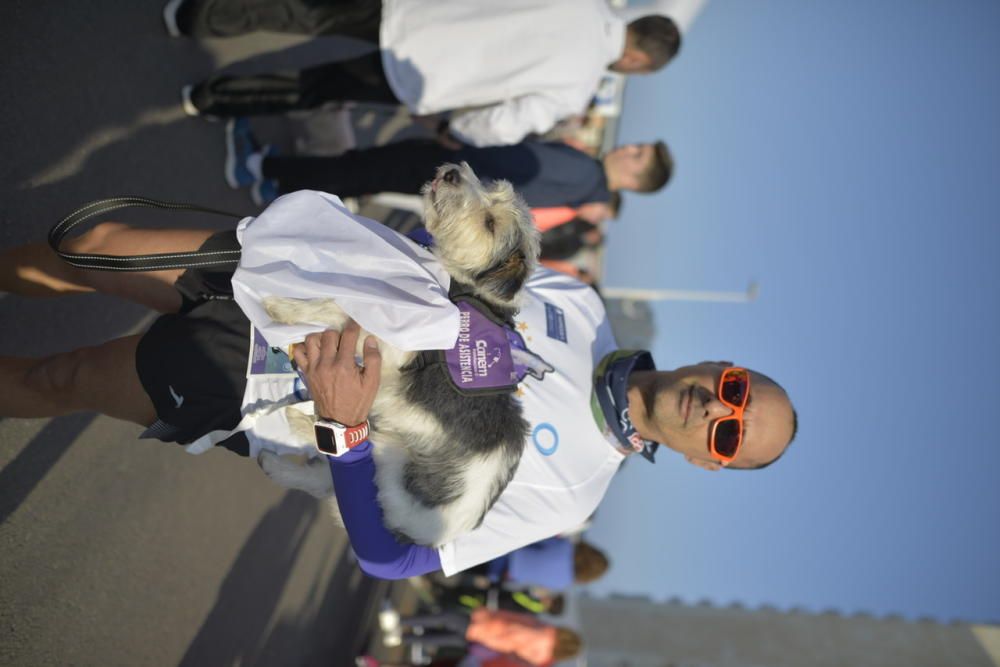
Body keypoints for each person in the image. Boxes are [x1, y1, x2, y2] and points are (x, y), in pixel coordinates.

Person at [0, 189, 797, 580]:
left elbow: (395, 559)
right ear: (720, 364)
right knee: (93, 244)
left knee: (63, 376)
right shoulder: (584, 306)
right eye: (734, 388)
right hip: (304, 277)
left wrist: (345, 433)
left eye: (730, 432)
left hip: (274, 389)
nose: (715, 409)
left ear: (707, 460)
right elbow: (459, 276)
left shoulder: (573, 495)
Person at [167, 0, 681, 147]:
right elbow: (504, 123)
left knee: (306, 12)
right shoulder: (577, 86)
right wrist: (454, 130)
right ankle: (210, 99)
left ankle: (195, 15)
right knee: (311, 87)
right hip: (423, 76)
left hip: (421, 12)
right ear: (637, 62)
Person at [225, 118, 673, 208]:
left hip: (455, 166)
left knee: (359, 168)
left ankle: (260, 168)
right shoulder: (583, 188)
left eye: (638, 154)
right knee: (358, 175)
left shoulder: (583, 171)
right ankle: (277, 182)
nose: (629, 146)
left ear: (635, 177)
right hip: (457, 181)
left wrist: (458, 142)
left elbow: (512, 161)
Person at [389, 608, 582, 667]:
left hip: (491, 630)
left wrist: (492, 617)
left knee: (447, 618)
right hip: (488, 650)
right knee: (445, 639)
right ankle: (402, 639)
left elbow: (514, 628)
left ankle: (401, 620)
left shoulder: (545, 633)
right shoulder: (542, 659)